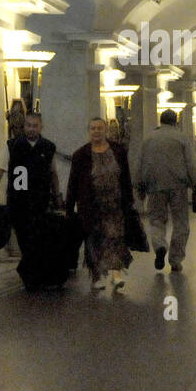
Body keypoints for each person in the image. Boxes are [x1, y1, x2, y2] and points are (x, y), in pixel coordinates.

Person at [0, 111, 61, 287]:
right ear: (24, 126)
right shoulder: (12, 146)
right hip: (18, 202)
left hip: (40, 202)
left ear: (41, 127)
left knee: (38, 239)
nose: (31, 129)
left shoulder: (48, 147)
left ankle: (32, 275)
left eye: (35, 126)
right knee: (25, 239)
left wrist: (57, 196)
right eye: (28, 125)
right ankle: (30, 275)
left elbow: (53, 174)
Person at [66, 117, 135, 292]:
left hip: (114, 204)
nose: (96, 131)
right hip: (91, 205)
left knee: (115, 237)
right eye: (93, 128)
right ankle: (96, 275)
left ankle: (116, 273)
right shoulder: (80, 155)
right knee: (94, 239)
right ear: (89, 132)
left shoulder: (118, 151)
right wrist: (69, 205)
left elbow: (125, 177)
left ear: (105, 130)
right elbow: (73, 182)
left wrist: (129, 199)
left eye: (99, 128)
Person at [135, 108, 196, 272]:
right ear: (175, 121)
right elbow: (191, 163)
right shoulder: (182, 138)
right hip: (178, 186)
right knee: (181, 223)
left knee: (156, 220)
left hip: (155, 186)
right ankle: (176, 259)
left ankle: (159, 246)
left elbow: (140, 163)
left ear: (161, 121)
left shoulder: (148, 138)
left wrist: (139, 184)